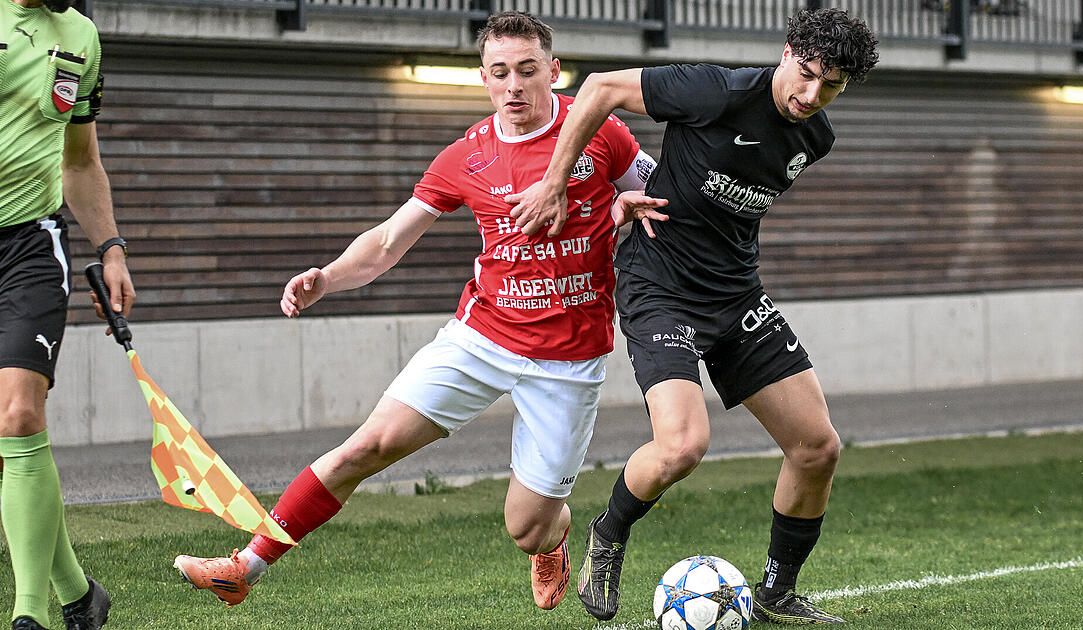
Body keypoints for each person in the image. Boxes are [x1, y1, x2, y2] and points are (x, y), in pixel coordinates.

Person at [172, 11, 665, 613]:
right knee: (366, 446)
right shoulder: (467, 156)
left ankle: (553, 538)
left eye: (527, 71)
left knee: (526, 527)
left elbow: (662, 194)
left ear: (555, 73)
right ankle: (245, 567)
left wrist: (632, 207)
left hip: (567, 359)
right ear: (484, 79)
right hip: (480, 337)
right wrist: (326, 279)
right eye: (500, 73)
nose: (514, 86)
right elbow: (386, 243)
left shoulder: (601, 132)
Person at [504, 7, 879, 625]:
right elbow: (598, 88)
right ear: (786, 52)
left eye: (831, 86)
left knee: (817, 447)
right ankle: (609, 535)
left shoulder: (817, 138)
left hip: (735, 297)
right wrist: (555, 183)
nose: (813, 95)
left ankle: (777, 593)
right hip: (661, 288)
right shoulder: (715, 90)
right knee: (682, 446)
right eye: (807, 74)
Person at [0, 0, 134, 628]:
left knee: (20, 414)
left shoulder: (80, 36)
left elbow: (80, 161)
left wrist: (110, 249)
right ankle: (80, 596)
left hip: (31, 246)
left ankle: (30, 616)